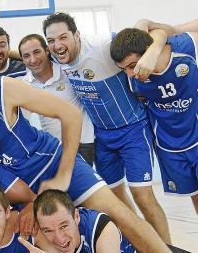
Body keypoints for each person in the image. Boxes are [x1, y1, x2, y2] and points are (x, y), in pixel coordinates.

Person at [0, 40, 170, 252]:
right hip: (13, 187)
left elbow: (70, 115)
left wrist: (63, 175)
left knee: (120, 215)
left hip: (51, 163)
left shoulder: (4, 89)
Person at [42, 12, 170, 243]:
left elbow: (150, 35)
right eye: (51, 41)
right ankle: (141, 243)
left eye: (63, 38)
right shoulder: (57, 58)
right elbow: (28, 56)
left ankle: (167, 248)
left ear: (77, 35)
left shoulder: (102, 46)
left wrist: (149, 45)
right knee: (114, 200)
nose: (57, 45)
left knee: (142, 196)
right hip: (102, 136)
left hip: (132, 129)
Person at [110, 28, 198, 212]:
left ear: (149, 52)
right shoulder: (134, 80)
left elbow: (161, 30)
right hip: (169, 147)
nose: (130, 73)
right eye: (124, 68)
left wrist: (150, 30)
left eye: (132, 65)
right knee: (195, 197)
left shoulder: (184, 49)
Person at [19, 34, 95, 166]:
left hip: (82, 144)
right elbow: (23, 121)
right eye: (26, 56)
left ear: (47, 50)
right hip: (53, 148)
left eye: (37, 52)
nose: (33, 59)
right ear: (22, 60)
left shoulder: (68, 72)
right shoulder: (25, 86)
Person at [32, 189, 135, 253]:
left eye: (64, 226)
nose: (60, 239)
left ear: (76, 216)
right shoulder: (41, 234)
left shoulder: (102, 230)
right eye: (48, 231)